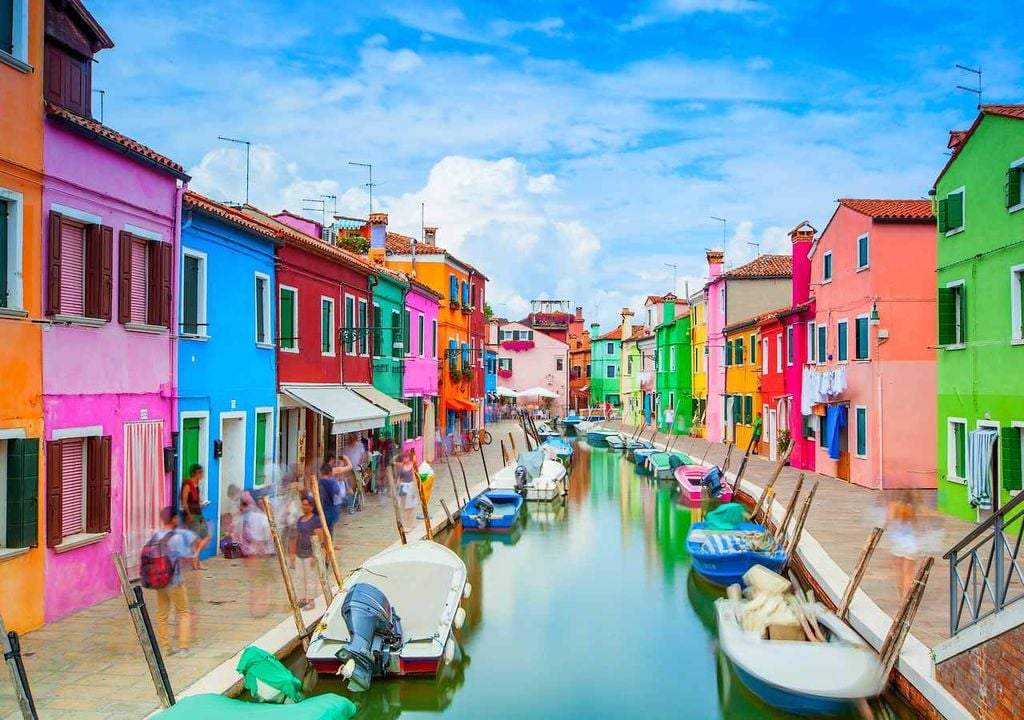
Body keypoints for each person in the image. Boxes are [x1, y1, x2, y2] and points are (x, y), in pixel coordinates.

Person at [149, 507, 198, 657]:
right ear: (174, 519)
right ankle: (183, 648)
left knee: (162, 614)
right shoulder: (176, 538)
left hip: (159, 580)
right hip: (174, 580)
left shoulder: (156, 535)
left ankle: (165, 647)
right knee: (183, 612)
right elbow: (185, 555)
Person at [289, 495, 325, 610]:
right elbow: (296, 537)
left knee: (310, 578)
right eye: (302, 504)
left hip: (310, 554)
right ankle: (303, 598)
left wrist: (315, 555)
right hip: (300, 553)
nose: (303, 507)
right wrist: (292, 554)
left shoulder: (315, 520)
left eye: (306, 505)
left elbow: (318, 538)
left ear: (311, 506)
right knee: (300, 577)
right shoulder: (300, 520)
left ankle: (310, 601)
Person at [887, 491, 920, 599]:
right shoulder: (910, 508)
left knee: (899, 572)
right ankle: (907, 598)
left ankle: (902, 598)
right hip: (910, 542)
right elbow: (915, 527)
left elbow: (889, 523)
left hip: (897, 542)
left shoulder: (893, 506)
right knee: (908, 573)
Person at [180, 464, 211, 568]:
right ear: (196, 473)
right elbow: (184, 502)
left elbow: (197, 500)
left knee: (207, 536)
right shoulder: (188, 485)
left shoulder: (197, 486)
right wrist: (188, 515)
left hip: (199, 514)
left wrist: (201, 503)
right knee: (196, 540)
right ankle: (196, 562)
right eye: (201, 473)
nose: (202, 475)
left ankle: (195, 556)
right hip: (192, 515)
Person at [317, 462, 342, 535]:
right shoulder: (333, 483)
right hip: (330, 512)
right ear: (330, 472)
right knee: (329, 532)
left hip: (318, 512)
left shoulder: (317, 483)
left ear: (321, 471)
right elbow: (339, 495)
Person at [397, 449, 419, 531]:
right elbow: (399, 478)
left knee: (410, 507)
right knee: (403, 507)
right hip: (402, 487)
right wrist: (397, 486)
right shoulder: (402, 466)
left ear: (409, 457)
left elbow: (415, 478)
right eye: (403, 457)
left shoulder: (413, 466)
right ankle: (405, 524)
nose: (404, 459)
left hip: (410, 487)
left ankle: (410, 524)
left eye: (406, 457)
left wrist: (414, 489)